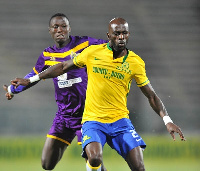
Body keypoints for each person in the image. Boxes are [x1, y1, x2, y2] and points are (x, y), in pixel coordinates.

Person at [11, 17, 186, 171]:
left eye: (124, 33)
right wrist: (29, 81)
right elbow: (62, 66)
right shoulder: (92, 53)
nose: (121, 37)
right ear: (109, 35)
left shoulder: (135, 62)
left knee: (138, 166)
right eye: (116, 34)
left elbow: (151, 95)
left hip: (119, 121)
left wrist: (167, 121)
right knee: (80, 159)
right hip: (87, 119)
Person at [3, 13, 108, 171]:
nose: (60, 29)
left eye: (64, 26)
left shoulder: (85, 43)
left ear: (69, 29)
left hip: (87, 115)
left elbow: (109, 47)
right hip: (63, 116)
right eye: (56, 27)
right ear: (50, 31)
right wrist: (12, 90)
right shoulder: (47, 55)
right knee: (47, 164)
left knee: (92, 159)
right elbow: (33, 77)